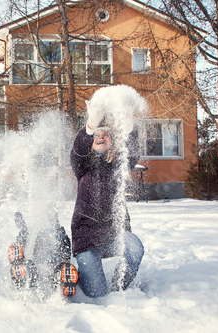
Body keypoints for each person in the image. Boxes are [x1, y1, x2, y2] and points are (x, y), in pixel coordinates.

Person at [70, 106, 145, 298]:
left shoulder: (119, 166)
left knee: (135, 247)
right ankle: (76, 279)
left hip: (114, 235)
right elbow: (78, 150)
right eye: (97, 135)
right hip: (87, 240)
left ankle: (119, 290)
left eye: (106, 134)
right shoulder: (83, 165)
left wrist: (129, 124)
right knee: (97, 294)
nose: (101, 137)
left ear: (113, 141)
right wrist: (90, 126)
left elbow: (133, 151)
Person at [7, 210, 79, 297]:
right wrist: (22, 227)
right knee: (28, 265)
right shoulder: (34, 239)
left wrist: (56, 225)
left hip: (54, 270)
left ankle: (66, 282)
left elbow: (65, 247)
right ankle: (20, 271)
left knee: (63, 267)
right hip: (35, 272)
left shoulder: (55, 237)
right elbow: (24, 238)